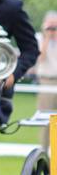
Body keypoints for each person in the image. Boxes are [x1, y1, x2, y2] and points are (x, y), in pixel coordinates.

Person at [33, 11, 57, 149]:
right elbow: (40, 58)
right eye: (50, 26)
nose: (53, 29)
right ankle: (44, 149)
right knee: (46, 118)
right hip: (46, 81)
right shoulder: (39, 39)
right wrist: (47, 37)